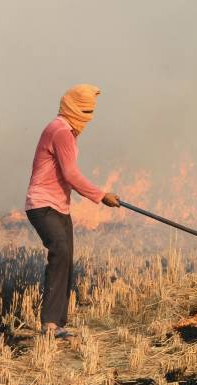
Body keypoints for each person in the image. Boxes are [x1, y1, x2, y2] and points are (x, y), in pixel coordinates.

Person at [24, 84, 120, 338]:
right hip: (42, 205)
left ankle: (57, 323)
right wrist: (101, 196)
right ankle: (49, 325)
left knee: (66, 259)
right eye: (85, 110)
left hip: (58, 206)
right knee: (60, 253)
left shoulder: (64, 130)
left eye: (92, 111)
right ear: (72, 107)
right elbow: (71, 174)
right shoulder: (61, 131)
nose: (89, 117)